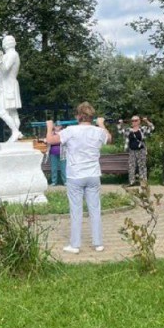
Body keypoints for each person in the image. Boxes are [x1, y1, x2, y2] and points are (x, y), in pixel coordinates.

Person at [45, 103, 110, 254]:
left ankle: (75, 245)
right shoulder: (98, 131)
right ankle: (98, 243)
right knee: (95, 209)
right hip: (93, 175)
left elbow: (50, 140)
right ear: (91, 117)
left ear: (78, 116)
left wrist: (49, 126)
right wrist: (102, 124)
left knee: (76, 211)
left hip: (75, 175)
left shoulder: (70, 130)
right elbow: (109, 137)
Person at [0, 35, 22, 141]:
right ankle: (15, 135)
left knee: (3, 113)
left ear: (5, 44)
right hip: (7, 86)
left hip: (8, 87)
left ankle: (15, 132)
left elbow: (5, 69)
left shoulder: (12, 54)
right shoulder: (10, 55)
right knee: (13, 112)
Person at [117, 115, 154, 186]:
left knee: (142, 166)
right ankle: (132, 182)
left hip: (141, 150)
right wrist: (120, 124)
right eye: (132, 120)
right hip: (132, 151)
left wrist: (146, 121)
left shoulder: (143, 129)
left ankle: (143, 182)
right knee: (131, 166)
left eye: (136, 120)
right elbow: (120, 131)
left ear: (139, 121)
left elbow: (152, 127)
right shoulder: (128, 130)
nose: (134, 122)